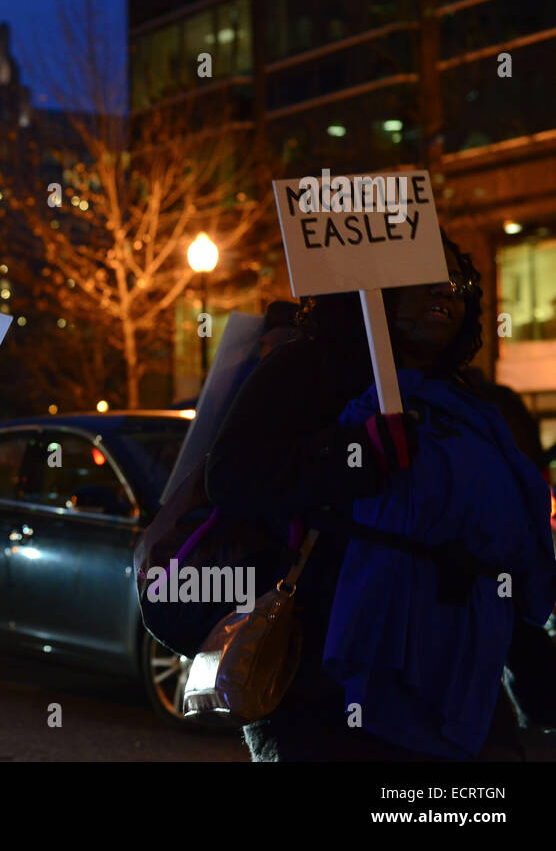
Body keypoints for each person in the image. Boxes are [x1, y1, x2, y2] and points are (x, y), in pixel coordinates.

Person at [206, 230, 556, 760]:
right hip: (330, 688)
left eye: (458, 282)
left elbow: (492, 554)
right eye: (424, 276)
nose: (444, 290)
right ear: (378, 286)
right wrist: (356, 453)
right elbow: (233, 476)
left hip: (462, 686)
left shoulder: (478, 407)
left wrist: (537, 677)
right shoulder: (311, 369)